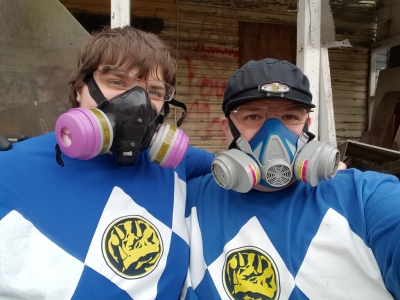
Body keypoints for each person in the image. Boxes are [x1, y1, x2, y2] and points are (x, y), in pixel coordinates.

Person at [0, 26, 214, 299]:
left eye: (155, 91)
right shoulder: (10, 169)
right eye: (116, 82)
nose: (138, 103)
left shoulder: (174, 164)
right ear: (80, 88)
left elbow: (239, 172)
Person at [182, 58, 400, 299]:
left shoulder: (365, 197)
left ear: (307, 125)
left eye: (290, 117)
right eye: (253, 117)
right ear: (227, 128)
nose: (274, 134)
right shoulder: (187, 199)